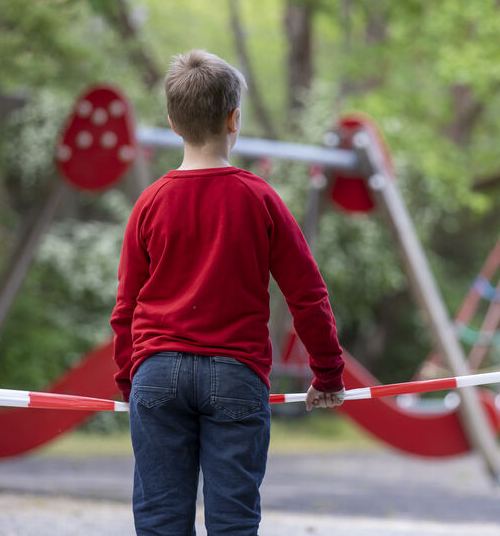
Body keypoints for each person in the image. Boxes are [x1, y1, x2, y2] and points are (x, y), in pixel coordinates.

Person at [110, 50, 346, 536]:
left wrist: (130, 381)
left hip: (157, 372)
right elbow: (307, 295)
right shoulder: (260, 199)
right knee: (233, 522)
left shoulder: (150, 203)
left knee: (159, 519)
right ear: (234, 120)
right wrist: (327, 373)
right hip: (236, 374)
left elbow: (126, 307)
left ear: (173, 122)